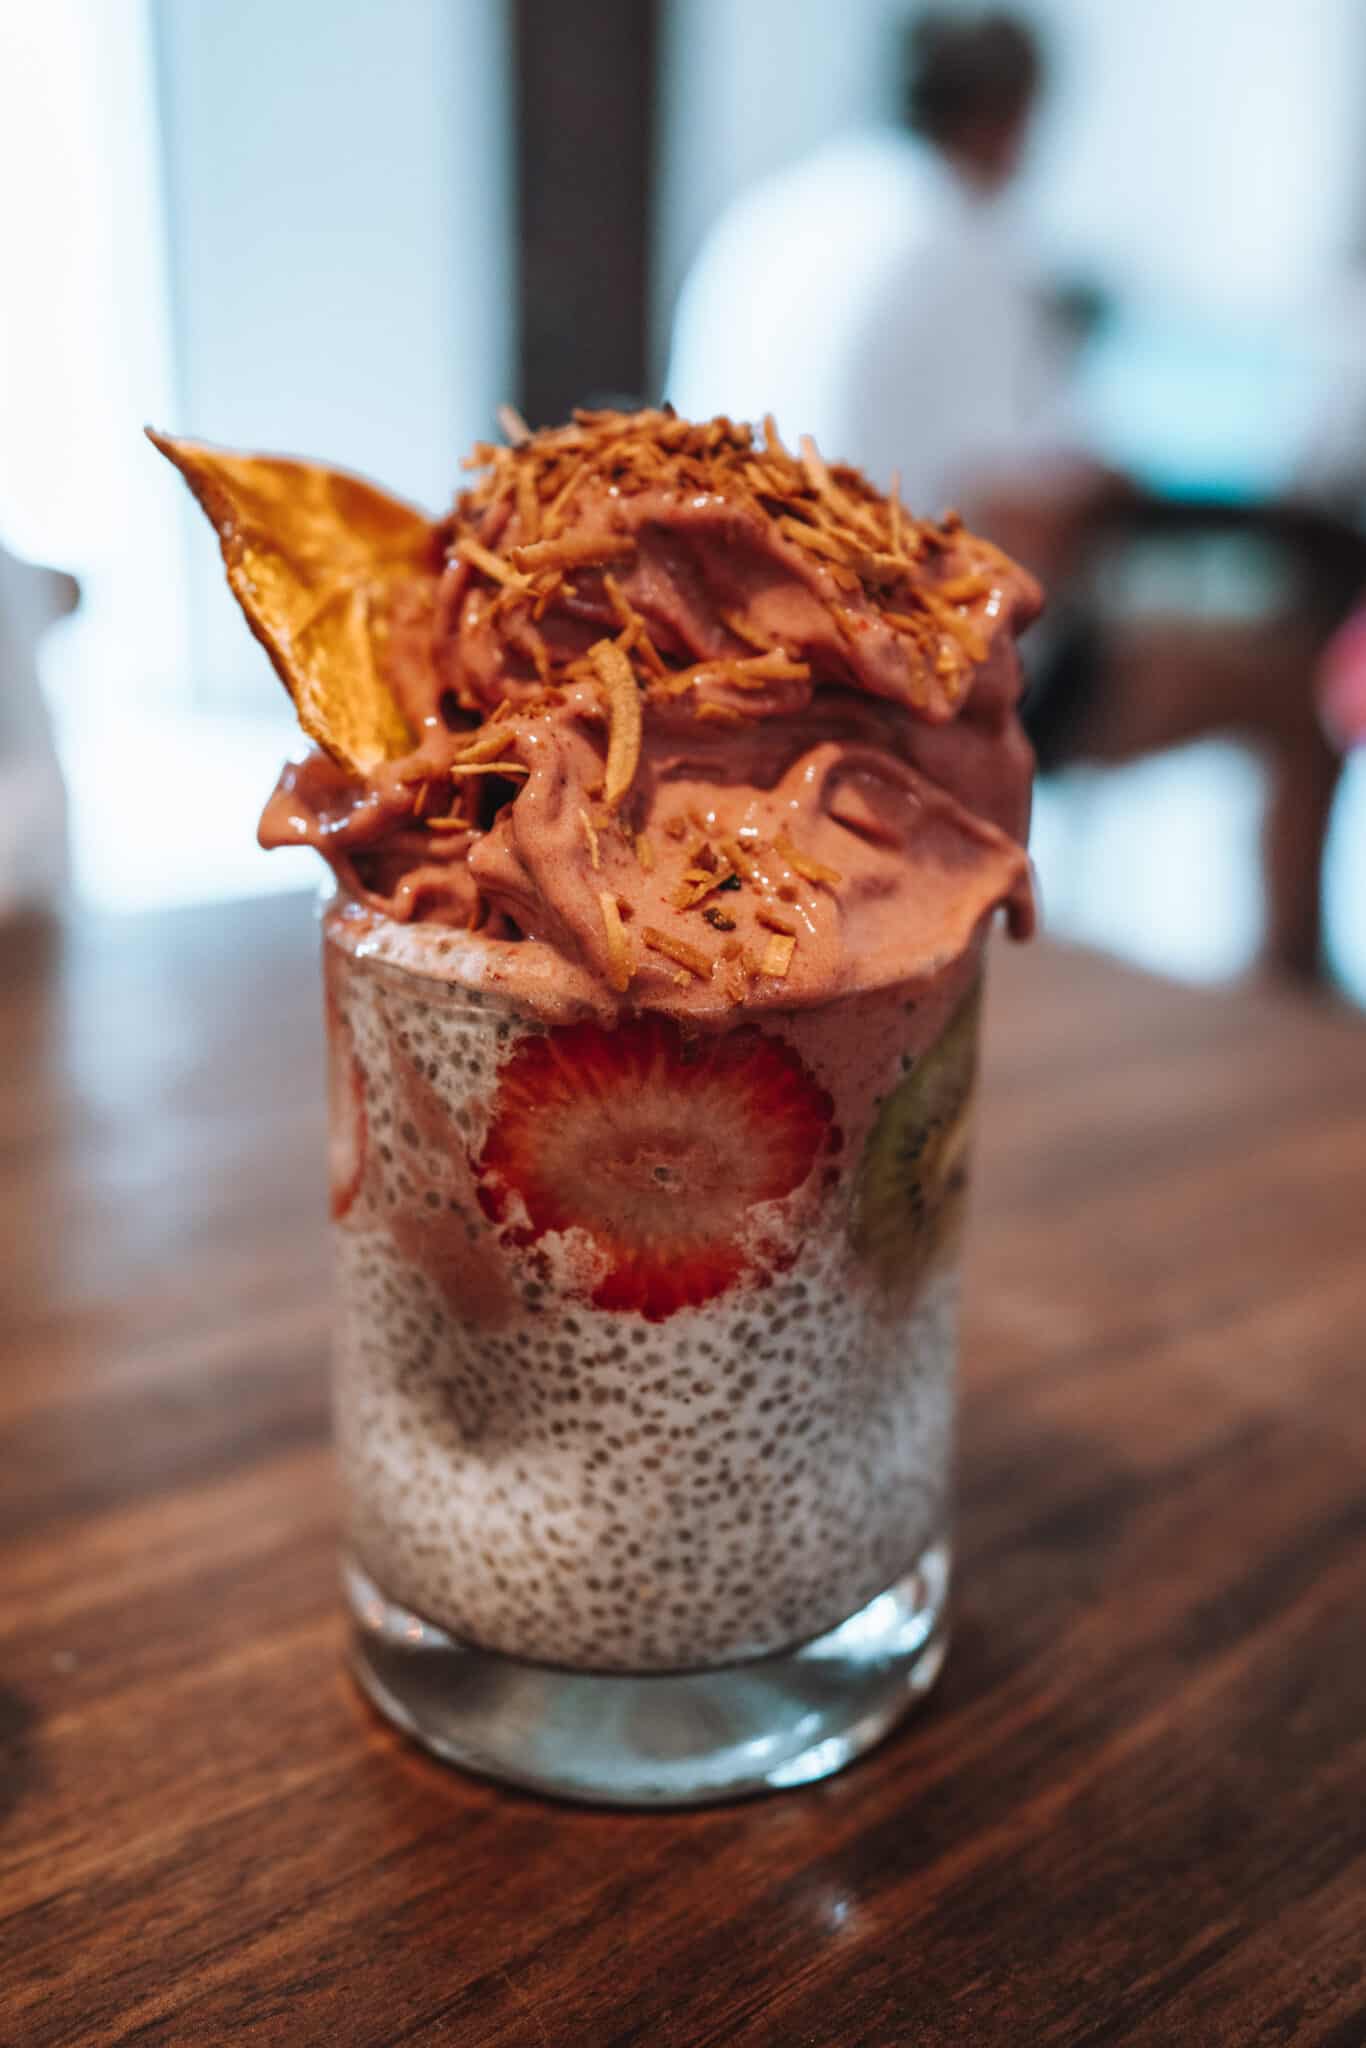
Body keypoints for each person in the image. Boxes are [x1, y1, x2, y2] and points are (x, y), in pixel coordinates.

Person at [667, 10, 1073, 518]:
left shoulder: (783, 206)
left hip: (701, 561)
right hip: (863, 582)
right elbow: (1009, 492)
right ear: (1012, 118)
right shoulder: (959, 234)